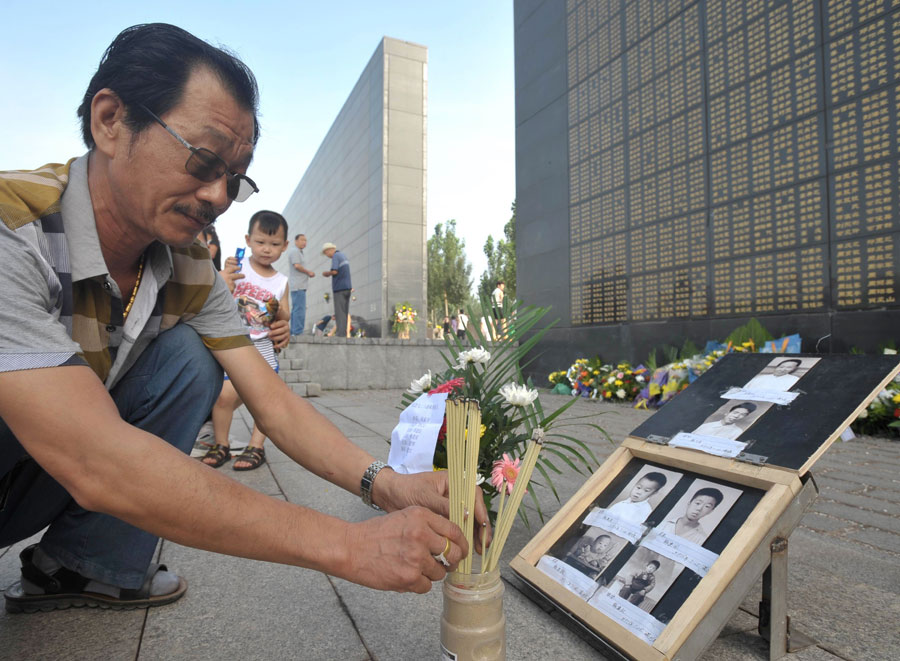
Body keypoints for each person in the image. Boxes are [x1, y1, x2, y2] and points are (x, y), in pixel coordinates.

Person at [0, 23, 485, 615]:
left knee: (187, 359)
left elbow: (270, 400)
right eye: (203, 159)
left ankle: (83, 565)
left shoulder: (186, 265)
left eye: (234, 176)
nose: (216, 195)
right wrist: (347, 544)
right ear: (110, 120)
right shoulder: (13, 233)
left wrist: (388, 485)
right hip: (47, 459)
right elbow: (96, 458)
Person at [201, 211, 290, 471]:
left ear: (284, 247)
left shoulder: (281, 281)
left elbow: (285, 313)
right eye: (261, 242)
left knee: (263, 400)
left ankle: (256, 446)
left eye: (275, 245)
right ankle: (221, 443)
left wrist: (278, 310)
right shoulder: (238, 267)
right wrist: (224, 277)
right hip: (235, 343)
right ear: (248, 239)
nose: (267, 250)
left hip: (263, 347)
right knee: (223, 398)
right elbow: (220, 294)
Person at [658, 487, 724, 544]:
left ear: (711, 511)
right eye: (698, 503)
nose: (699, 508)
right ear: (689, 503)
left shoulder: (702, 539)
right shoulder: (663, 523)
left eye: (707, 506)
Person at [287, 233, 314, 336]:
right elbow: (297, 266)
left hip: (299, 285)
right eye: (302, 240)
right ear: (296, 241)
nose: (304, 242)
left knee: (296, 309)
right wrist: (308, 272)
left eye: (305, 240)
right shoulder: (295, 251)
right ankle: (297, 333)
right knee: (299, 310)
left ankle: (294, 332)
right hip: (298, 286)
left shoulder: (299, 252)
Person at [321, 242, 351, 337]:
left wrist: (326, 273)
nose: (327, 255)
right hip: (347, 287)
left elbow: (334, 271)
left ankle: (340, 334)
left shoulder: (335, 256)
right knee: (345, 312)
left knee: (339, 313)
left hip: (339, 288)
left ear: (329, 250)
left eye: (326, 253)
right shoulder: (343, 255)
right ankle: (344, 332)